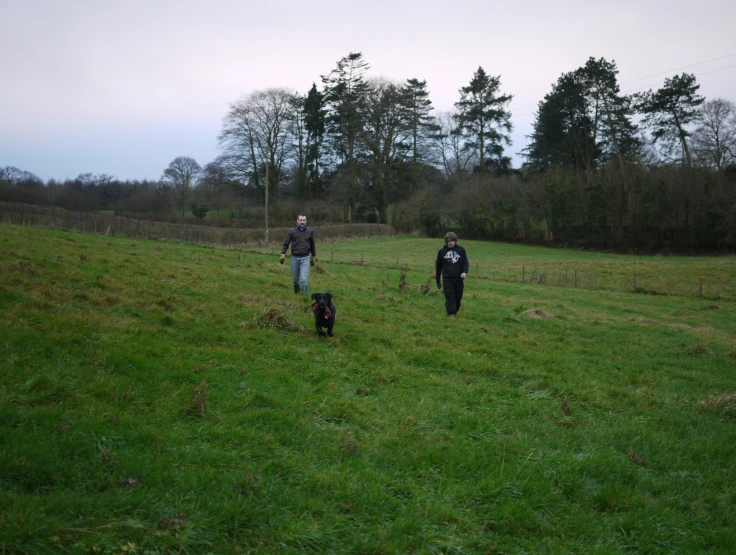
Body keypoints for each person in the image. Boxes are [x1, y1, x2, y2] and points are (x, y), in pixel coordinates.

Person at [280, 213, 316, 297]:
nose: (302, 222)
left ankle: (304, 297)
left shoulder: (310, 231)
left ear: (306, 221)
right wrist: (283, 254)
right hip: (294, 258)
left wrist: (313, 256)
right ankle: (297, 295)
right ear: (297, 221)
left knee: (304, 279)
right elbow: (286, 243)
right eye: (300, 220)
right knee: (295, 280)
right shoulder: (292, 231)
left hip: (305, 258)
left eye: (304, 220)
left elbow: (312, 245)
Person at [435, 231, 469, 318]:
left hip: (458, 279)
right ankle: (451, 314)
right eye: (449, 241)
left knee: (458, 297)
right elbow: (438, 267)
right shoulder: (441, 252)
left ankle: (454, 311)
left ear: (455, 241)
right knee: (450, 298)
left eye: (453, 241)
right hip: (447, 279)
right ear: (446, 241)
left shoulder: (461, 250)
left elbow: (465, 262)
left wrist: (464, 272)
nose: (451, 243)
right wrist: (438, 280)